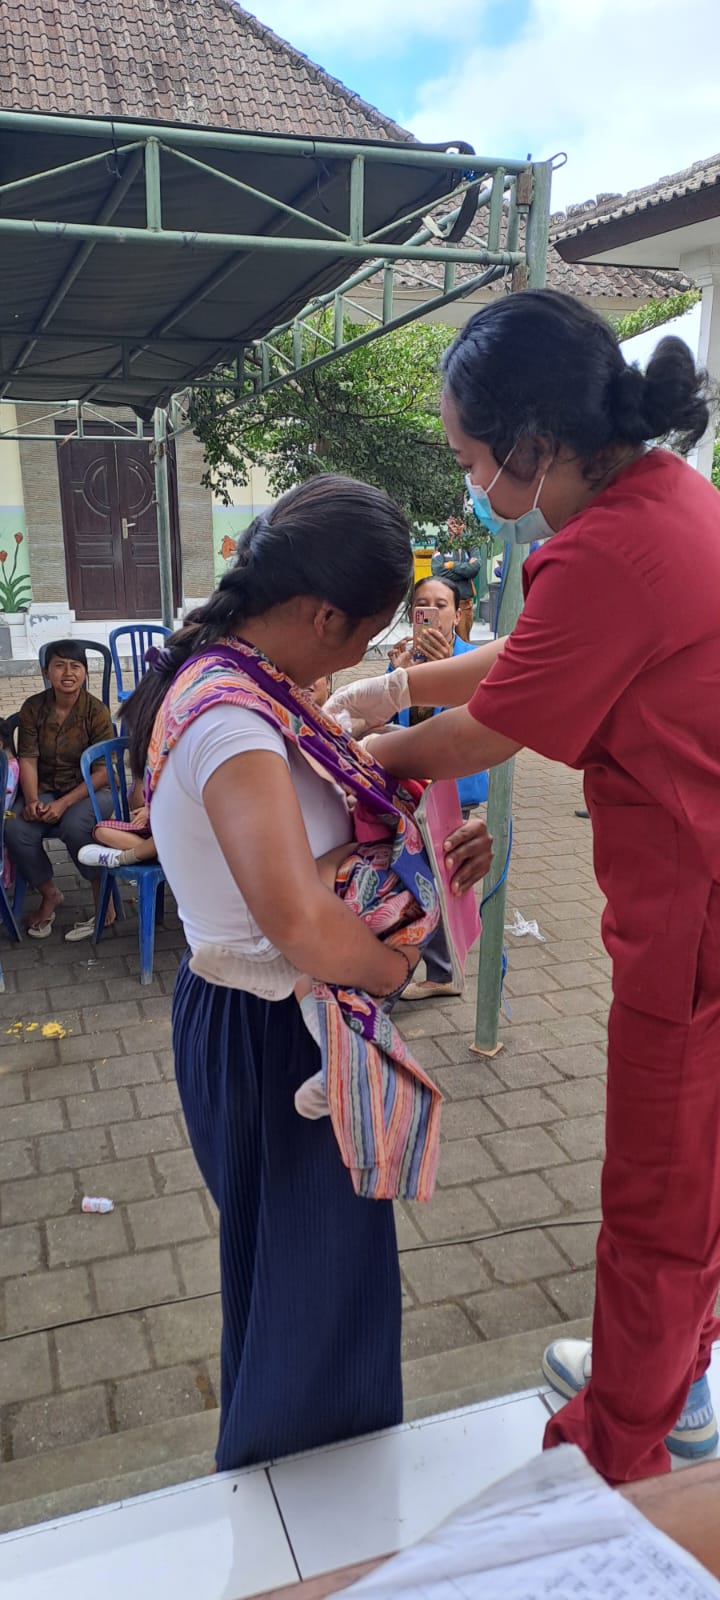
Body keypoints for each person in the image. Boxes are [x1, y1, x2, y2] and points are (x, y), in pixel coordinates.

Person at [324, 289, 720, 1486]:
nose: (471, 484)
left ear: (537, 441)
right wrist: (395, 693)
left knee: (656, 1194)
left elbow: (493, 728)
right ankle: (678, 1375)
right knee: (701, 1172)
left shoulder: (607, 547)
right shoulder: (667, 501)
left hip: (696, 918)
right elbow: (551, 645)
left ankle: (615, 1452)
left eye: (472, 459)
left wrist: (348, 753)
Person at [120, 475, 493, 1472]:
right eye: (367, 632)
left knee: (308, 1291)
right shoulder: (233, 722)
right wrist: (402, 962)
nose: (365, 655)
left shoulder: (251, 682)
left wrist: (429, 853)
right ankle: (302, 1549)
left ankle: (306, 1529)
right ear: (323, 613)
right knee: (310, 1315)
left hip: (278, 1018)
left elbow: (346, 822)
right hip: (276, 1029)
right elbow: (296, 921)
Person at [388, 574, 489, 1002]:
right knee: (418, 874)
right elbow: (394, 722)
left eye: (440, 604)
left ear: (459, 612)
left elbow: (472, 727)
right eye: (421, 605)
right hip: (410, 784)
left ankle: (446, 968)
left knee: (446, 874)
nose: (430, 613)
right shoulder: (402, 660)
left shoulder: (472, 659)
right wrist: (401, 678)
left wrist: (445, 673)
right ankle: (436, 967)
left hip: (451, 787)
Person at [6, 641, 115, 939]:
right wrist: (30, 800)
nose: (68, 672)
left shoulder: (96, 711)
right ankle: (50, 893)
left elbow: (104, 773)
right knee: (15, 826)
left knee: (76, 826)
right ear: (46, 672)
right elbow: (28, 758)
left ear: (84, 673)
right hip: (44, 788)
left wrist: (64, 803)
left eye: (75, 666)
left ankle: (101, 896)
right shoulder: (33, 707)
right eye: (59, 665)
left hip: (90, 792)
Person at [431, 521, 481, 641]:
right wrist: (464, 572)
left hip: (464, 603)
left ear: (464, 524)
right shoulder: (441, 541)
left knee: (463, 642)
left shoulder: (471, 542)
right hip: (443, 602)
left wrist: (453, 565)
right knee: (440, 640)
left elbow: (475, 568)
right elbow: (437, 570)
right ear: (448, 523)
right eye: (452, 522)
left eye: (459, 522)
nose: (455, 526)